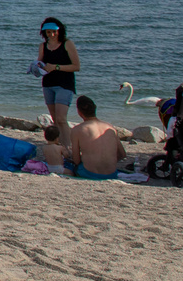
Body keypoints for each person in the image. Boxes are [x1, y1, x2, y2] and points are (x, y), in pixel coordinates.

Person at [35, 18, 81, 150]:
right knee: (55, 119)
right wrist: (37, 67)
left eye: (54, 32)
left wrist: (55, 67)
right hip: (48, 84)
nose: (51, 35)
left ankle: (68, 147)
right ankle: (58, 147)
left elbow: (76, 66)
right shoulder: (43, 46)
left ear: (59, 30)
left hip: (64, 84)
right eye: (48, 32)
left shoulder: (67, 44)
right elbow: (40, 64)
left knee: (61, 118)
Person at [64, 95, 126, 179]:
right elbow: (122, 154)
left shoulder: (77, 130)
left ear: (79, 112)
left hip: (89, 173)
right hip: (112, 174)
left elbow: (76, 160)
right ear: (95, 108)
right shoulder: (110, 127)